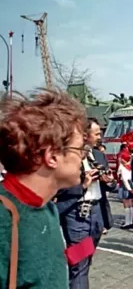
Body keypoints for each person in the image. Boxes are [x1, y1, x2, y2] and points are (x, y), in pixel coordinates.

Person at [0, 89, 86, 289]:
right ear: (52, 156)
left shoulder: (48, 208)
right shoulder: (4, 218)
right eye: (79, 149)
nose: (83, 157)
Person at [56, 117, 116, 289]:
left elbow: (112, 186)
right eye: (96, 133)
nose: (100, 137)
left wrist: (108, 181)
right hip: (77, 216)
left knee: (85, 261)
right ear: (84, 135)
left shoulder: (99, 155)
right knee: (78, 265)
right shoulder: (69, 158)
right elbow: (58, 189)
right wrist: (83, 185)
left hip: (97, 215)